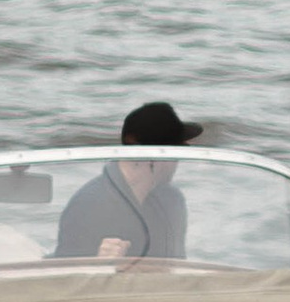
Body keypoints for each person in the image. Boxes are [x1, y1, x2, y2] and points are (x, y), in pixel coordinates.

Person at [56, 102, 200, 261]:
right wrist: (100, 262)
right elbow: (65, 273)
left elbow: (176, 265)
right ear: (153, 155)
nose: (177, 160)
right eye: (174, 150)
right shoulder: (87, 205)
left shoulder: (172, 200)